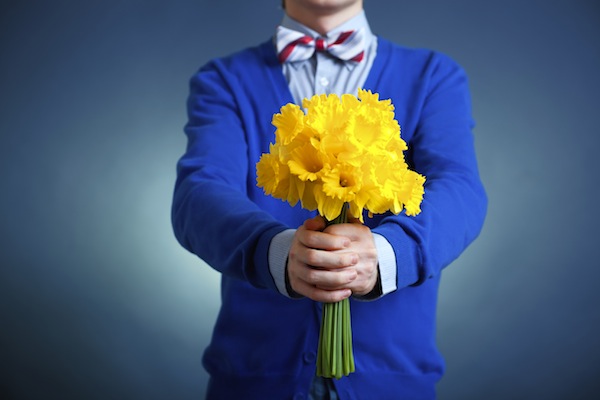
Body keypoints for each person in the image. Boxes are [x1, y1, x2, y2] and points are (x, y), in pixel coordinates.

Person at [171, 0, 487, 398]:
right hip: (253, 381)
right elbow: (198, 195)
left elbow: (460, 189)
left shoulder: (433, 76)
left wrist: (388, 253)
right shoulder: (223, 81)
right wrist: (275, 253)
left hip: (393, 382)